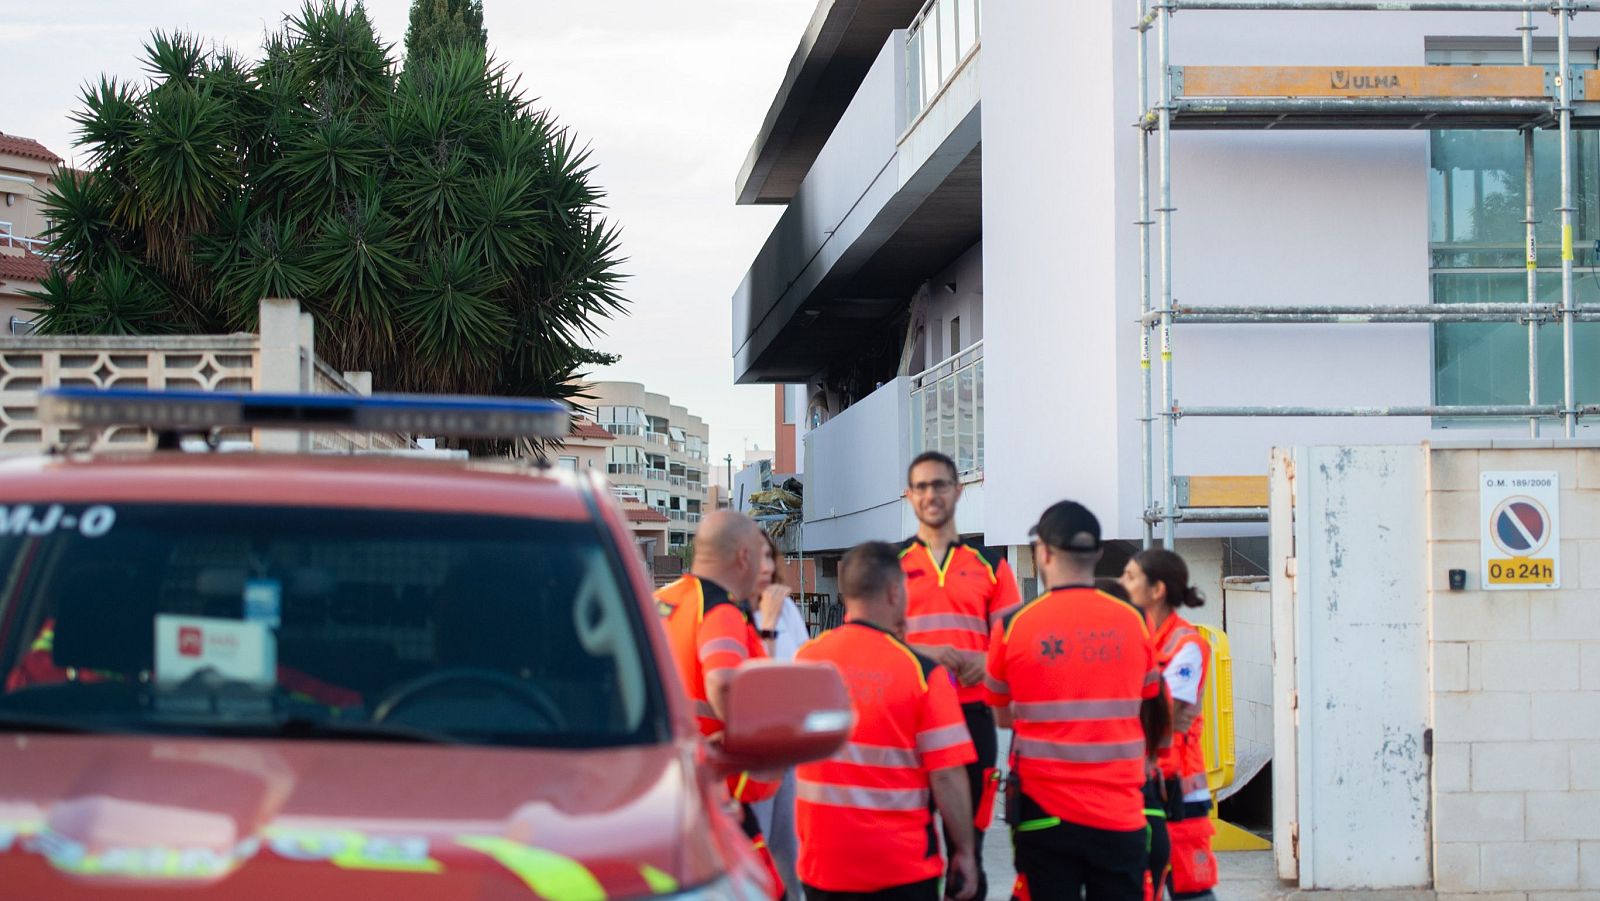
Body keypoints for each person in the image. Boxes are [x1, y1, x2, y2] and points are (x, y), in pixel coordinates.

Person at [987, 501, 1170, 901]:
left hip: (1043, 812)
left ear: (1044, 552)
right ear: (1098, 554)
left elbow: (1002, 716)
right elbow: (1149, 699)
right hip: (1119, 809)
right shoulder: (1134, 621)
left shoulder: (1012, 625)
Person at [795, 541, 978, 901]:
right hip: (901, 869)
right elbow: (947, 775)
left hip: (821, 867)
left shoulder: (805, 661)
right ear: (895, 592)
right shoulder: (922, 672)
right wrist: (966, 853)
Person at [898, 450, 1021, 898]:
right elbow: (878, 640)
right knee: (915, 841)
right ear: (909, 496)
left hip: (972, 715)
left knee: (968, 845)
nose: (932, 494)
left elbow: (1011, 643)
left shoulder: (992, 564)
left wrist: (985, 662)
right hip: (910, 718)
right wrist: (929, 653)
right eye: (922, 486)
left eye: (941, 485)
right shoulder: (890, 568)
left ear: (959, 490)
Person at [658, 512, 782, 888]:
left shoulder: (662, 599)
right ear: (743, 557)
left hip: (666, 792)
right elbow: (724, 681)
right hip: (718, 797)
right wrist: (749, 745)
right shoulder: (719, 609)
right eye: (762, 555)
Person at [1122, 550, 1218, 901]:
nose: (1122, 584)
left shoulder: (1187, 644)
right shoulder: (1135, 636)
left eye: (1130, 577)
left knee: (1188, 886)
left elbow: (1163, 712)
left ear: (1157, 589)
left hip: (1178, 785)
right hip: (1141, 777)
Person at [750, 528, 809, 900]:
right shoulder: (732, 611)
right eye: (756, 558)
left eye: (770, 556)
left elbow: (804, 664)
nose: (766, 566)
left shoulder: (787, 608)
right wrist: (767, 623)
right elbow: (756, 687)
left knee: (792, 854)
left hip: (791, 747)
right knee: (757, 854)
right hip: (753, 754)